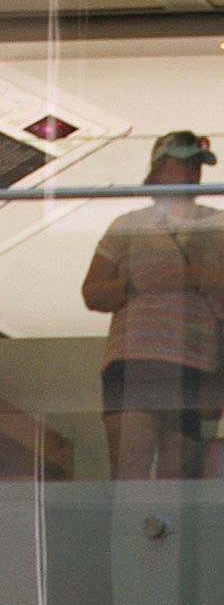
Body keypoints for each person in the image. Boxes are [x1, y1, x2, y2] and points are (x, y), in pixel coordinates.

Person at [83, 128, 224, 480]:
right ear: (160, 168)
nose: (193, 172)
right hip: (135, 358)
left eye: (197, 165)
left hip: (197, 362)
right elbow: (93, 292)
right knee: (130, 473)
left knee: (180, 481)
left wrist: (194, 276)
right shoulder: (128, 226)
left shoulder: (219, 225)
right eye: (184, 164)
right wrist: (132, 285)